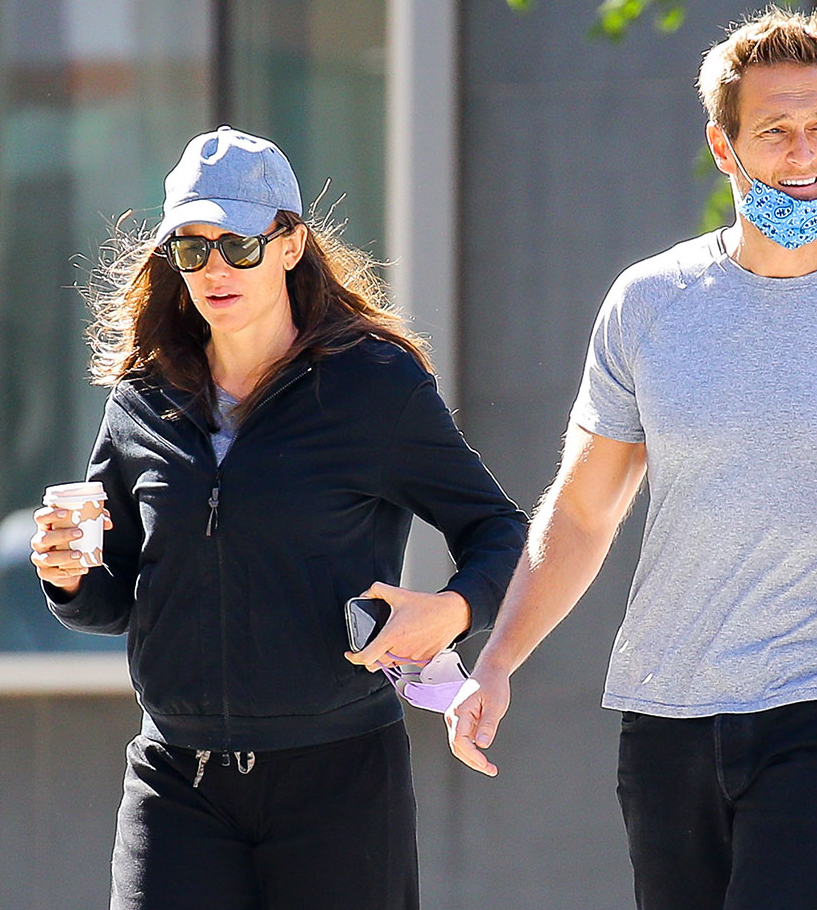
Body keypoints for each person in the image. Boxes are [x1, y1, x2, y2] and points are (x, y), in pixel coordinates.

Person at [445, 8, 817, 910]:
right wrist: (499, 659)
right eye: (775, 131)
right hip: (670, 700)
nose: (804, 153)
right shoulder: (651, 304)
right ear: (723, 146)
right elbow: (582, 510)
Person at [30, 125, 526, 910]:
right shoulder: (142, 400)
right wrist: (68, 576)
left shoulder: (373, 386)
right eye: (192, 248)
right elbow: (112, 601)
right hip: (177, 782)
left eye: (238, 245)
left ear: (291, 245)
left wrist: (453, 611)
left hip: (339, 783)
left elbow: (500, 530)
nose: (214, 269)